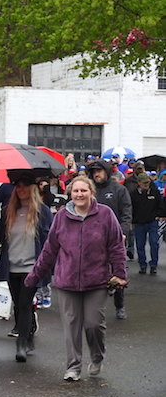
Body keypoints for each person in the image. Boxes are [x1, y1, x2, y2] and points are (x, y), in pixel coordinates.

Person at [25, 175, 127, 381]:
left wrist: (120, 273)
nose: (79, 194)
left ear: (91, 193)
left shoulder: (105, 215)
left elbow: (116, 246)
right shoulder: (62, 217)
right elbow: (49, 250)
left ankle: (97, 356)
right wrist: (33, 277)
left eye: (84, 191)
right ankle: (73, 366)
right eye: (75, 191)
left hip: (96, 280)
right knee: (71, 325)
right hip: (66, 281)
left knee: (93, 324)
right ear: (70, 193)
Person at [0, 174, 53, 362]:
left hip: (32, 267)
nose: (21, 189)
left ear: (33, 188)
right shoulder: (8, 211)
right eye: (17, 186)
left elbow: (51, 239)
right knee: (18, 305)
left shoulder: (42, 212)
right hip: (12, 266)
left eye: (24, 186)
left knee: (24, 303)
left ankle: (21, 343)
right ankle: (28, 335)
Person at [88, 159, 132, 319]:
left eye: (99, 171)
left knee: (118, 272)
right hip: (93, 240)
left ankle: (120, 306)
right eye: (94, 172)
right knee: (94, 273)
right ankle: (95, 307)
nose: (96, 174)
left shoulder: (119, 189)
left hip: (115, 239)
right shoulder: (89, 191)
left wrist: (123, 231)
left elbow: (126, 212)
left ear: (106, 172)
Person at [129, 171, 162, 275]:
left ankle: (153, 265)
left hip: (152, 222)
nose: (146, 185)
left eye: (147, 183)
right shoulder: (133, 194)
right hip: (139, 223)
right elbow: (130, 209)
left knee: (154, 243)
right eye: (144, 183)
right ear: (139, 183)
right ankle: (142, 265)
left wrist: (159, 215)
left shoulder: (154, 192)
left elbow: (160, 204)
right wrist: (131, 221)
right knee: (140, 245)